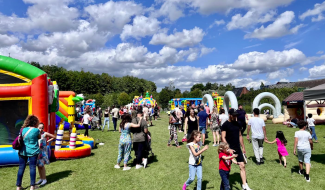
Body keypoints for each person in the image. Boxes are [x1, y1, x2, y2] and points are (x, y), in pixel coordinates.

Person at [221, 109, 252, 190]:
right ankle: (224, 185)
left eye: (236, 115)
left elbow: (240, 135)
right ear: (230, 115)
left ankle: (245, 185)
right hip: (228, 149)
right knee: (226, 169)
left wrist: (243, 147)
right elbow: (223, 137)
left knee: (242, 165)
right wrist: (228, 148)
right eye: (234, 115)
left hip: (237, 148)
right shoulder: (225, 125)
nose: (235, 117)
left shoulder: (238, 123)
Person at [16, 115, 41, 190]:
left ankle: (18, 187)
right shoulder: (36, 130)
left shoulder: (22, 129)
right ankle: (32, 186)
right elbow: (39, 137)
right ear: (35, 122)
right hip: (33, 151)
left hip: (23, 151)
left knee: (21, 168)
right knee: (32, 168)